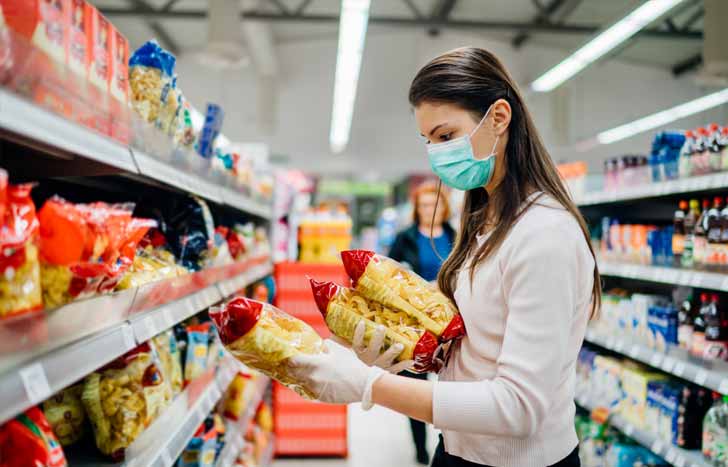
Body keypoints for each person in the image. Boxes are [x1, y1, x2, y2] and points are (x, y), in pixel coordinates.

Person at [290, 47, 601, 467]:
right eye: (428, 141)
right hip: (458, 451)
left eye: (446, 136)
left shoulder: (544, 235)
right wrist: (403, 349)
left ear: (499, 118)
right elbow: (479, 345)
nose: (436, 154)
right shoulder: (485, 220)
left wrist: (369, 385)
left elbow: (519, 407)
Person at [387, 182, 455, 465]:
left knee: (451, 383)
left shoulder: (456, 235)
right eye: (424, 205)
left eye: (435, 204)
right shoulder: (405, 238)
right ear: (417, 209)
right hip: (413, 324)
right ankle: (420, 447)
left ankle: (449, 439)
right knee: (415, 382)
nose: (430, 210)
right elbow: (387, 274)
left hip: (448, 322)